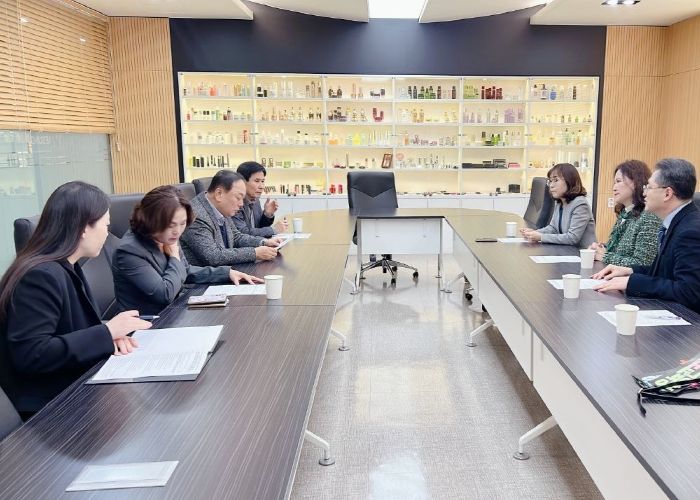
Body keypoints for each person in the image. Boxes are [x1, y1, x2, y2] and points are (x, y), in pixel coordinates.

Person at [0, 181, 151, 417]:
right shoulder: (40, 275)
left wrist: (108, 336)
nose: (107, 233)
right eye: (105, 225)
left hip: (70, 388)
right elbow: (32, 353)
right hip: (50, 408)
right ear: (83, 227)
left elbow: (68, 330)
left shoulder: (66, 266)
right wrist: (106, 332)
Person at [113, 186, 263, 315]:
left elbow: (185, 270)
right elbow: (165, 293)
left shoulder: (165, 236)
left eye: (182, 223)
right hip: (150, 324)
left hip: (175, 313)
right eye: (171, 225)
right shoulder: (129, 251)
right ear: (150, 220)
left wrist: (226, 273)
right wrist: (174, 257)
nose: (177, 231)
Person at [593, 158, 700, 312]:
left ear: (667, 193)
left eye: (649, 187)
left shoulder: (690, 231)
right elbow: (664, 272)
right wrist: (630, 271)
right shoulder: (676, 221)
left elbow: (689, 292)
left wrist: (633, 282)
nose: (644, 193)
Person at [181, 170, 282, 266]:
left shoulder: (220, 207)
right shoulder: (196, 215)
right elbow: (213, 256)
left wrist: (263, 242)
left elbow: (236, 237)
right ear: (219, 194)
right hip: (205, 277)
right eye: (238, 198)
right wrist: (254, 253)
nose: (241, 204)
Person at [589, 160, 661, 266]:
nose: (614, 188)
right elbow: (618, 250)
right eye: (614, 183)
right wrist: (600, 248)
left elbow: (643, 263)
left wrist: (605, 256)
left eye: (618, 181)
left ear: (636, 182)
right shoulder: (625, 213)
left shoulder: (649, 217)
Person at [520, 162, 596, 248]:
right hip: (566, 250)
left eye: (556, 180)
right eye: (550, 181)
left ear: (569, 181)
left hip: (582, 253)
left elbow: (572, 238)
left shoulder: (580, 204)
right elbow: (553, 228)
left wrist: (541, 237)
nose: (551, 186)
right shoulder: (560, 202)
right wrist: (534, 233)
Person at [233, 161, 288, 237]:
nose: (261, 186)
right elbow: (242, 233)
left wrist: (267, 215)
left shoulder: (255, 200)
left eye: (262, 181)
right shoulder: (235, 203)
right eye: (257, 181)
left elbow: (259, 228)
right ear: (242, 182)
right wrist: (273, 229)